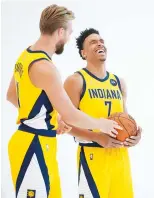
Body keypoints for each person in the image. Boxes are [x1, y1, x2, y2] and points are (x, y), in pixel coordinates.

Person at [6, 5, 121, 198]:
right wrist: (102, 124)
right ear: (60, 31)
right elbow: (70, 114)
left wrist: (46, 118)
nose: (68, 38)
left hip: (37, 141)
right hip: (34, 145)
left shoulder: (25, 56)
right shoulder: (46, 68)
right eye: (69, 33)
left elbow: (12, 95)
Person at [63, 28, 142, 198]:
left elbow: (125, 118)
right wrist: (97, 137)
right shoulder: (75, 81)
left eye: (101, 41)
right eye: (93, 42)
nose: (99, 43)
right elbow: (64, 124)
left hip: (120, 157)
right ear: (83, 53)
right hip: (92, 154)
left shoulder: (118, 82)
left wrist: (134, 136)